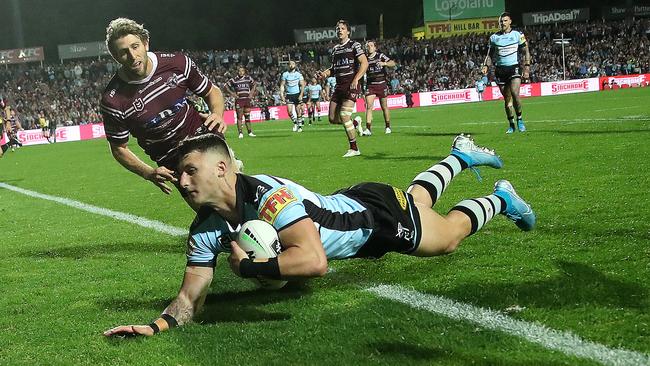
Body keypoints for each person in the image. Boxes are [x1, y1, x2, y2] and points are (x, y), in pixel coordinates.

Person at [103, 133, 536, 337]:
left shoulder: (267, 196)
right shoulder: (204, 230)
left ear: (222, 169)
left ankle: (500, 198)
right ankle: (459, 156)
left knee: (447, 238)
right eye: (179, 174)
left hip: (372, 220)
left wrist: (252, 265)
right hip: (352, 202)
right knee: (418, 202)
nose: (181, 181)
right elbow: (191, 296)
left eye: (189, 171)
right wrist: (156, 325)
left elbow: (313, 263)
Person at [100, 17, 227, 202]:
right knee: (211, 210)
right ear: (116, 57)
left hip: (204, 140)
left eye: (135, 46)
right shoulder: (113, 100)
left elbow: (211, 91)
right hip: (174, 163)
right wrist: (148, 173)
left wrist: (217, 113)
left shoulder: (177, 63)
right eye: (124, 52)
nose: (133, 55)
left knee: (234, 197)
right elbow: (119, 148)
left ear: (146, 43)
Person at [316, 19, 368, 157]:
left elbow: (364, 63)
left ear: (348, 31)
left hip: (351, 84)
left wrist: (356, 79)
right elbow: (333, 69)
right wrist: (324, 74)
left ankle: (354, 148)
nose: (339, 30)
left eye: (342, 28)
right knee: (333, 118)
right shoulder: (335, 49)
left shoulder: (354, 45)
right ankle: (355, 123)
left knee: (344, 115)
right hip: (339, 87)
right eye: (338, 28)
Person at [481, 12, 531, 134]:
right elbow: (490, 55)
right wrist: (486, 66)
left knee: (515, 93)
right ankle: (511, 124)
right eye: (501, 21)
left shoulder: (517, 35)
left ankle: (520, 119)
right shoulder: (494, 38)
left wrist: (527, 67)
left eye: (505, 20)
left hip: (514, 67)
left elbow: (525, 51)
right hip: (500, 70)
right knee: (507, 99)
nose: (502, 23)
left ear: (510, 21)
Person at [362, 40, 396, 136]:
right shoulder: (364, 58)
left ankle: (388, 126)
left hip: (381, 84)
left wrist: (384, 64)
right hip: (370, 85)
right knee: (369, 106)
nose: (369, 47)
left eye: (371, 45)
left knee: (384, 107)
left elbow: (393, 63)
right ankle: (368, 129)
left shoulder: (380, 56)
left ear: (375, 47)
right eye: (367, 46)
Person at [225, 66, 257, 139]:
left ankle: (250, 132)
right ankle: (240, 133)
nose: (241, 72)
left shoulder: (248, 78)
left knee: (247, 117)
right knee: (239, 117)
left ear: (244, 71)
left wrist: (251, 92)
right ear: (237, 72)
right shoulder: (234, 80)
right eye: (239, 71)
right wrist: (232, 93)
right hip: (239, 100)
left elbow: (254, 84)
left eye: (242, 71)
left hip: (247, 99)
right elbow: (226, 86)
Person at [279, 60, 306, 132]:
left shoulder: (298, 74)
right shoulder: (285, 74)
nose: (291, 65)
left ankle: (300, 127)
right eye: (290, 64)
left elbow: (302, 85)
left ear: (295, 65)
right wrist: (282, 95)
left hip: (297, 94)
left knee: (298, 111)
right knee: (289, 112)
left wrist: (301, 95)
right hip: (289, 95)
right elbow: (282, 85)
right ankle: (295, 122)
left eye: (292, 64)